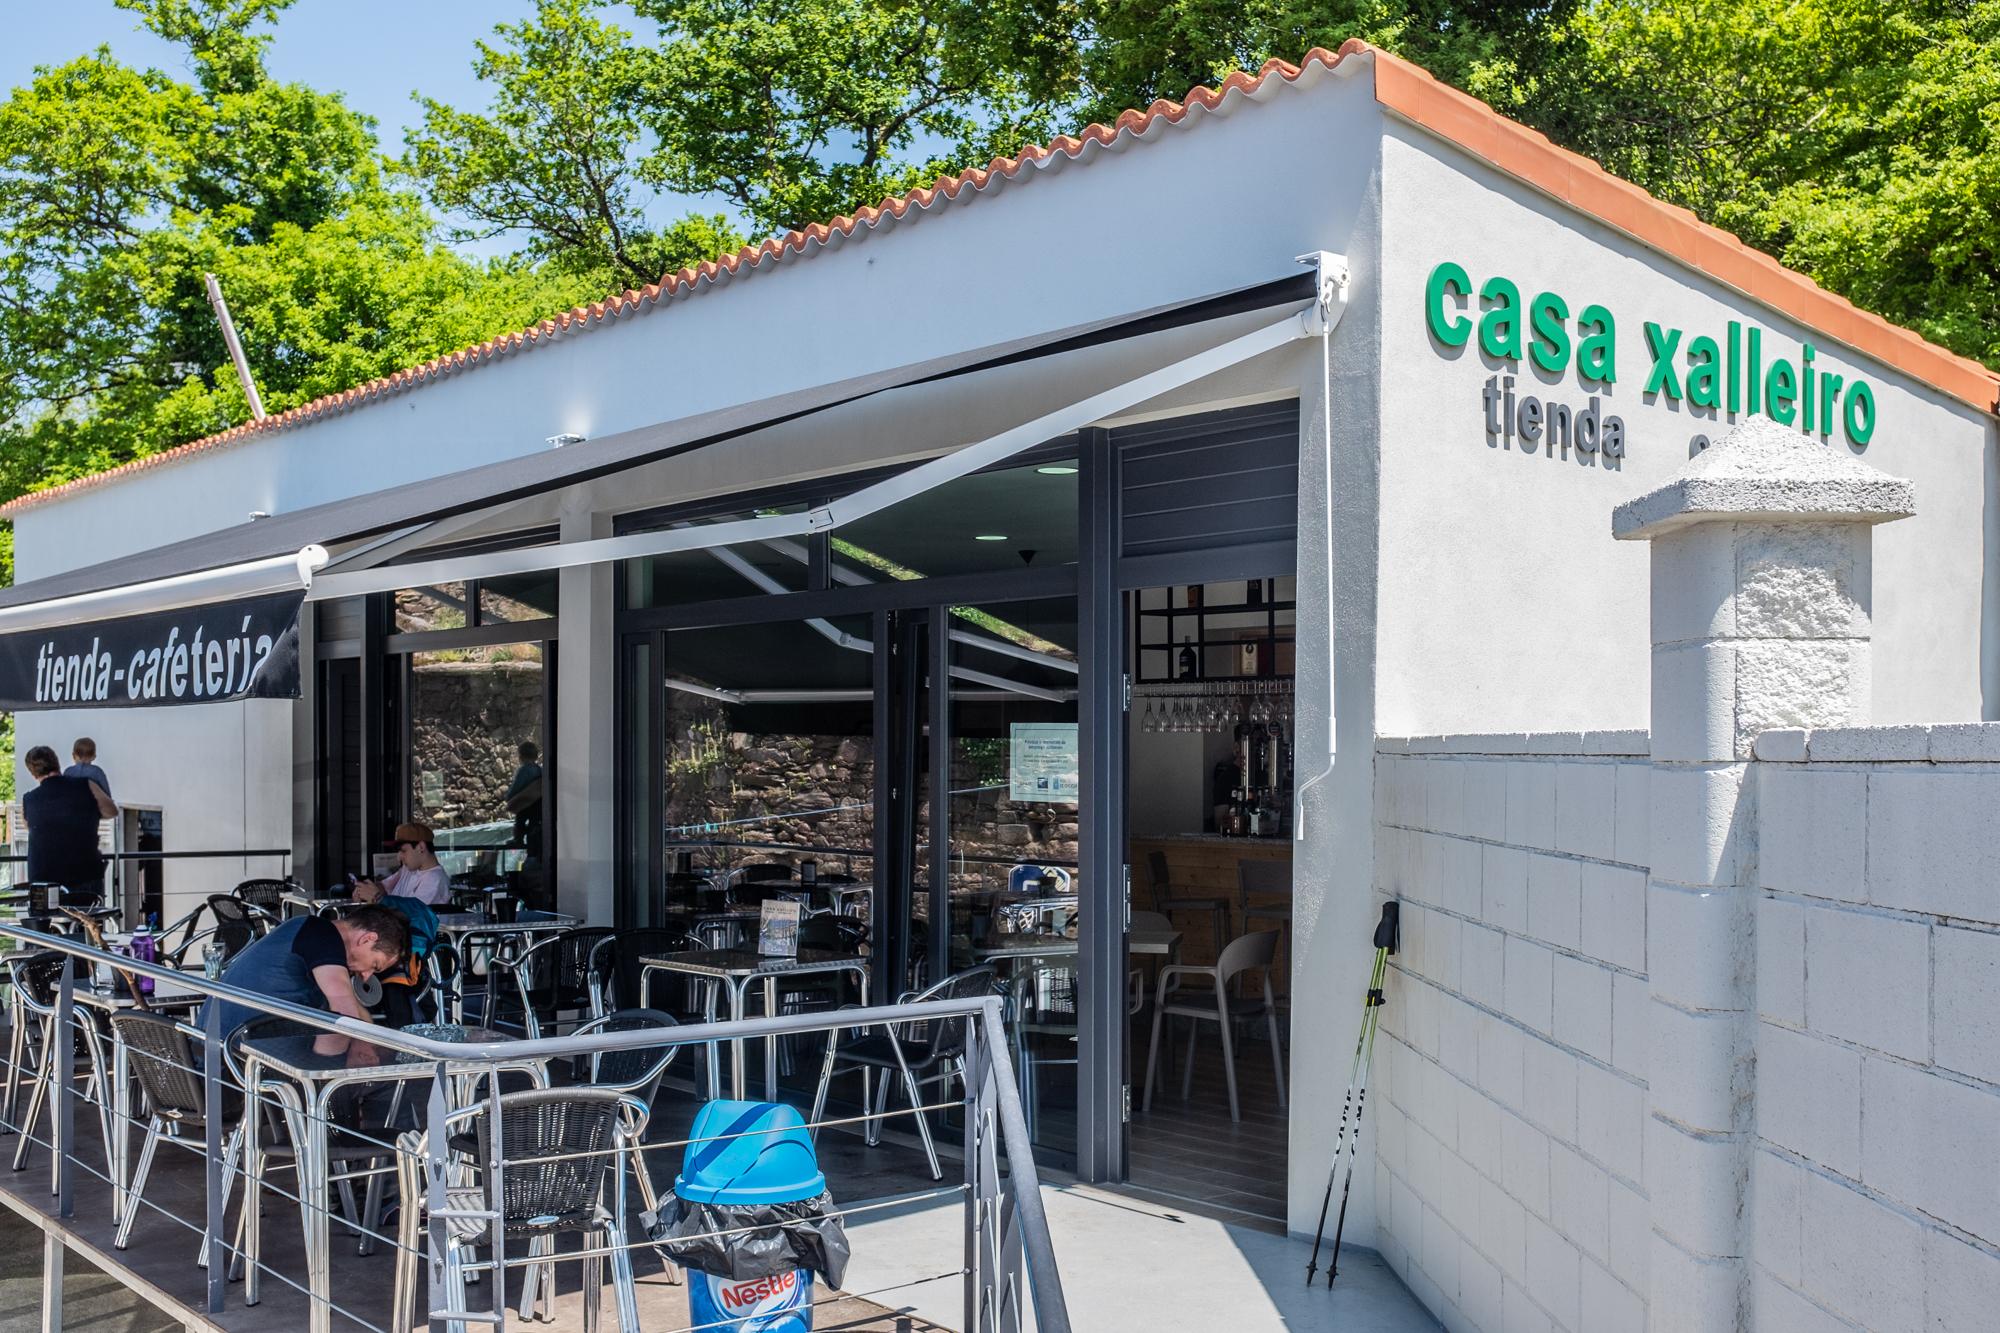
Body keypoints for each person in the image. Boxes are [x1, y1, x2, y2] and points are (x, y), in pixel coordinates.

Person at [199, 904, 408, 1043]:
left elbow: (352, 1009)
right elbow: (346, 1016)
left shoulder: (308, 931)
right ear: (367, 939)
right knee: (390, 1085)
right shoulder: (323, 935)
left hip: (217, 1056)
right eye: (375, 965)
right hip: (234, 1064)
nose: (366, 975)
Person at [21, 745, 115, 905]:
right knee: (88, 924)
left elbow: (30, 827)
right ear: (56, 763)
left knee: (47, 927)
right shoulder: (86, 786)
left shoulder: (29, 799)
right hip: (84, 872)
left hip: (43, 877)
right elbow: (111, 811)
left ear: (32, 772)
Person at [355, 822, 450, 906]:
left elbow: (414, 913)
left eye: (403, 851)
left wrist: (377, 898)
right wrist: (365, 890)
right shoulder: (408, 869)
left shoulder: (435, 879)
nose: (398, 857)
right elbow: (384, 887)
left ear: (421, 847)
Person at [505, 741, 543, 847]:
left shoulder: (524, 770)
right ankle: (533, 838)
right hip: (537, 802)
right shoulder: (539, 770)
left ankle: (518, 839)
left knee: (520, 821)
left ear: (521, 756)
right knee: (534, 823)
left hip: (525, 802)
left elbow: (517, 785)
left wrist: (509, 796)